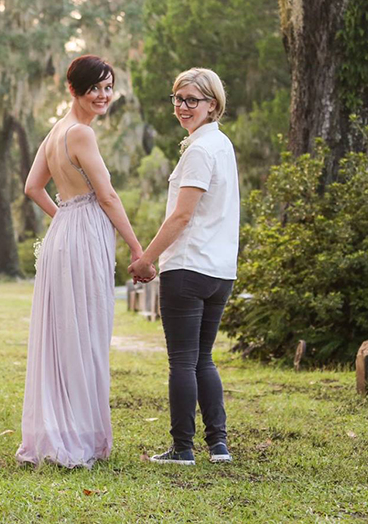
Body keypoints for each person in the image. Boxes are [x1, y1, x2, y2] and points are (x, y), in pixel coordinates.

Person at [16, 55, 144, 468]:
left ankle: (63, 430)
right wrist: (138, 250)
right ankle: (79, 437)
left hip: (63, 236)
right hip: (83, 233)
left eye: (109, 87)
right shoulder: (81, 135)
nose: (104, 95)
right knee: (84, 333)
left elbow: (33, 187)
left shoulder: (56, 132)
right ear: (74, 90)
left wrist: (65, 219)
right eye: (95, 88)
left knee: (64, 335)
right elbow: (107, 197)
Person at [130, 67, 239, 466]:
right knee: (202, 358)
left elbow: (181, 217)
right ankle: (219, 445)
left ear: (213, 105)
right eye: (178, 99)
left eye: (192, 100)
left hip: (189, 268)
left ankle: (182, 449)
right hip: (220, 271)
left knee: (182, 360)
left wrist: (145, 258)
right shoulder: (221, 145)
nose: (183, 107)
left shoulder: (199, 151)